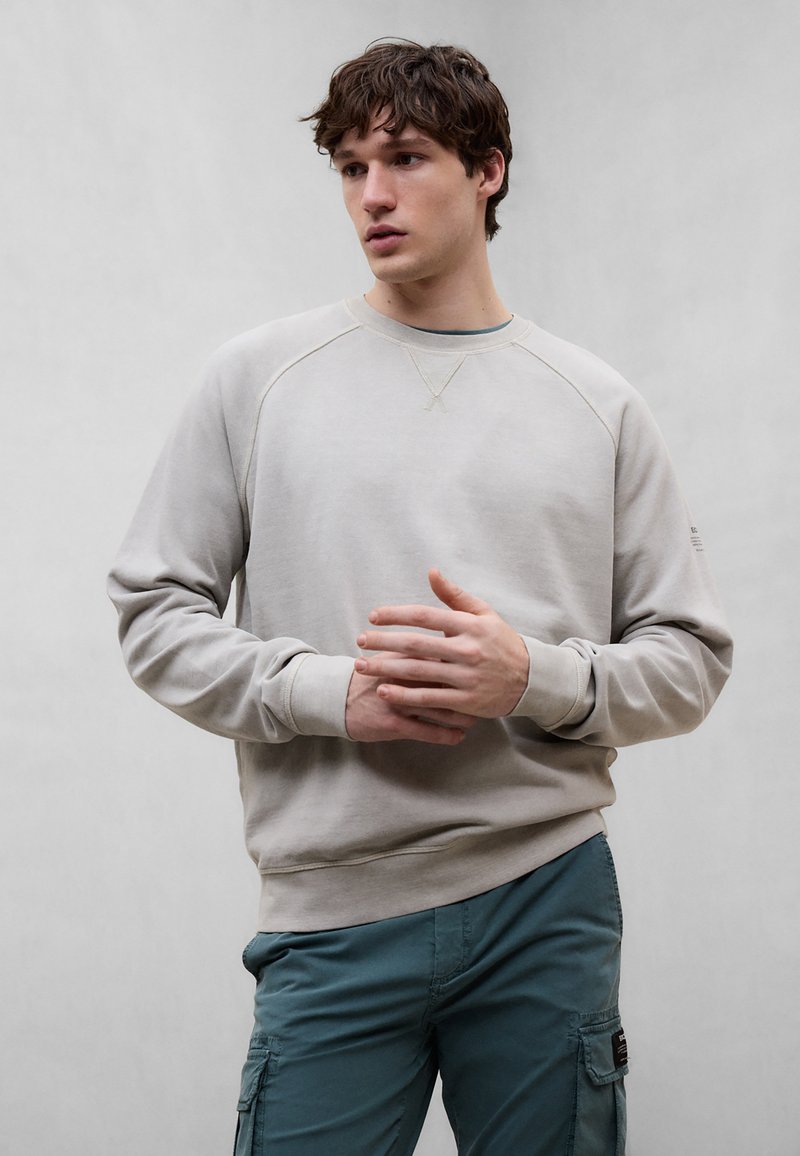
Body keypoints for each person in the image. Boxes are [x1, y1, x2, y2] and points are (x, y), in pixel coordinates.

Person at [108, 39, 732, 1156]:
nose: (372, 195)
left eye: (404, 158)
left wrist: (530, 677)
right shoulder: (256, 380)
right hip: (333, 909)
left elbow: (688, 659)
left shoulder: (597, 405)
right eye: (350, 167)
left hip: (543, 894)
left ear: (488, 169)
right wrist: (326, 692)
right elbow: (155, 612)